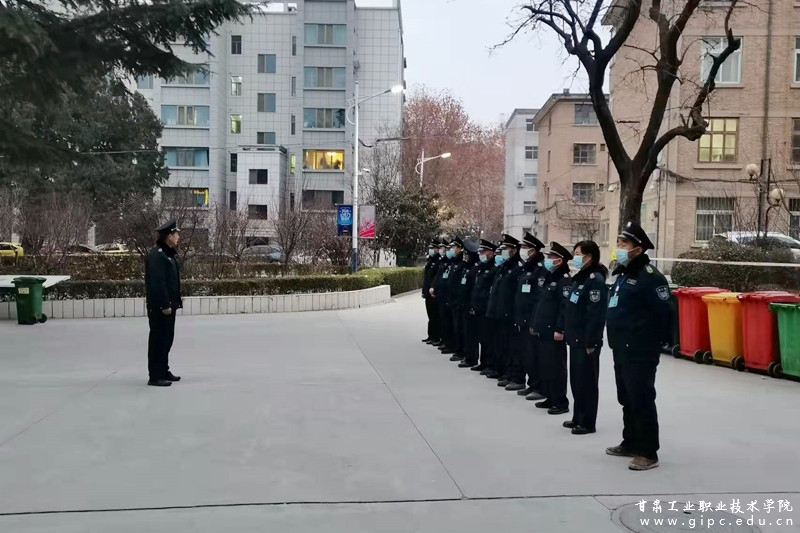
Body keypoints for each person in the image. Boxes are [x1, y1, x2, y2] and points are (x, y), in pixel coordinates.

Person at [605, 221, 673, 471]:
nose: (619, 247)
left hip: (641, 350)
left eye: (624, 244)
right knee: (626, 397)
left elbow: (665, 313)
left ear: (638, 248)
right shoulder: (624, 274)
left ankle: (648, 452)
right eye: (618, 243)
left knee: (641, 398)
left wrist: (655, 344)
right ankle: (631, 441)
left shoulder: (650, 277)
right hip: (621, 347)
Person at [563, 240, 609, 435]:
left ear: (589, 257)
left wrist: (592, 341)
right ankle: (578, 416)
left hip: (586, 340)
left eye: (578, 254)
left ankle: (587, 421)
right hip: (575, 338)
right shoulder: (580, 278)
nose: (575, 257)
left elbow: (595, 315)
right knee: (577, 380)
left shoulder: (595, 280)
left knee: (587, 382)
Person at [530, 241, 572, 415]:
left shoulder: (564, 280)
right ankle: (550, 396)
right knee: (545, 365)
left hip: (554, 331)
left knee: (556, 367)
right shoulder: (551, 278)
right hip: (544, 329)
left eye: (551, 257)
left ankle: (560, 401)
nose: (547, 260)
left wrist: (560, 329)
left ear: (559, 260)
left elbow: (564, 307)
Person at [144, 219, 183, 387]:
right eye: (176, 234)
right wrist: (165, 304)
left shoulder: (167, 254)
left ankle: (163, 370)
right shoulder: (157, 256)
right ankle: (155, 375)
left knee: (167, 339)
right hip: (160, 307)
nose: (178, 236)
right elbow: (158, 283)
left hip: (169, 306)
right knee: (158, 340)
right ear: (169, 236)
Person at [511, 232, 546, 397]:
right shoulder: (527, 267)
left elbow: (538, 297)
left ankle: (538, 386)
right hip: (522, 317)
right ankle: (532, 384)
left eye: (525, 247)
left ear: (533, 250)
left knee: (534, 355)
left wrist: (534, 320)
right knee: (526, 354)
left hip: (532, 318)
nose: (522, 250)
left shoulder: (540, 269)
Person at [486, 234, 521, 383]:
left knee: (511, 346)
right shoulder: (504, 267)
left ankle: (511, 374)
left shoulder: (517, 267)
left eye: (506, 248)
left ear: (514, 250)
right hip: (498, 312)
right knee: (500, 343)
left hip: (509, 313)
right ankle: (501, 370)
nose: (504, 251)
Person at [469, 239, 498, 374]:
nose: (481, 254)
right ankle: (484, 362)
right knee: (482, 337)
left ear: (491, 253)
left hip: (487, 307)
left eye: (483, 252)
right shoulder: (482, 267)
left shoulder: (494, 268)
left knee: (489, 339)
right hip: (479, 307)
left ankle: (491, 364)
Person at [455, 238, 481, 367]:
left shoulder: (475, 268)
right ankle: (467, 355)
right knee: (465, 332)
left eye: (466, 254)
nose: (464, 256)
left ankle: (471, 357)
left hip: (470, 305)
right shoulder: (467, 266)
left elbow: (474, 289)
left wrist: (472, 305)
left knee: (471, 334)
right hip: (464, 304)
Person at [445, 237, 468, 361]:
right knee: (454, 326)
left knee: (460, 328)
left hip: (459, 301)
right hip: (452, 299)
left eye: (454, 247)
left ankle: (461, 351)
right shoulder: (453, 263)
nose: (451, 249)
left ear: (460, 248)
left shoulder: (462, 264)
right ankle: (455, 348)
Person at [431, 239, 455, 353]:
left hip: (448, 296)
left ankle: (449, 343)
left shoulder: (452, 263)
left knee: (449, 322)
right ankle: (444, 341)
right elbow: (438, 277)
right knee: (442, 320)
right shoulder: (443, 262)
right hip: (441, 295)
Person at [422, 238, 442, 345]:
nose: (431, 250)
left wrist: (433, 288)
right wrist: (424, 291)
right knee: (430, 315)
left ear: (437, 249)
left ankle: (436, 337)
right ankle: (431, 335)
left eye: (433, 248)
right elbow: (426, 277)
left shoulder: (439, 260)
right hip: (427, 292)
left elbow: (436, 277)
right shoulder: (431, 260)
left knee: (435, 316)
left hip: (433, 292)